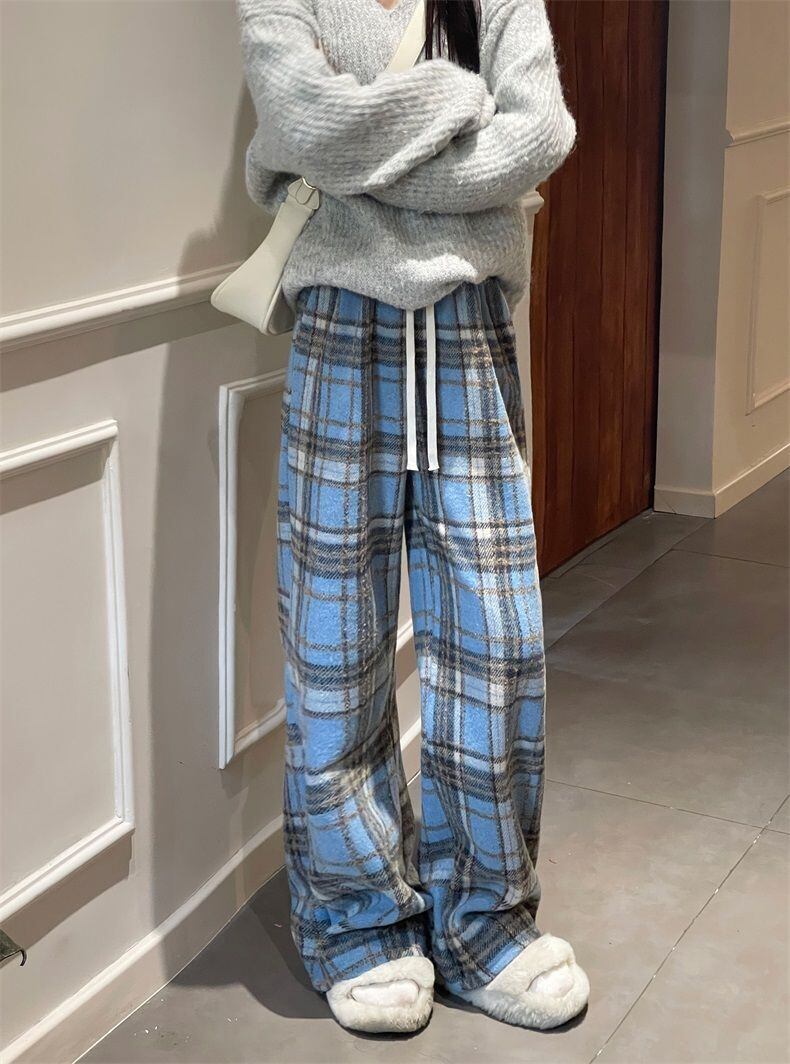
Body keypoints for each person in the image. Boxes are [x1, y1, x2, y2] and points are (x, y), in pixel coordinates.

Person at [236, 0, 589, 1035]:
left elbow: (541, 131)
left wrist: (365, 155)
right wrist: (454, 99)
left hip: (468, 327)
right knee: (334, 646)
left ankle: (485, 922)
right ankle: (356, 924)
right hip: (339, 324)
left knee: (495, 640)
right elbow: (298, 121)